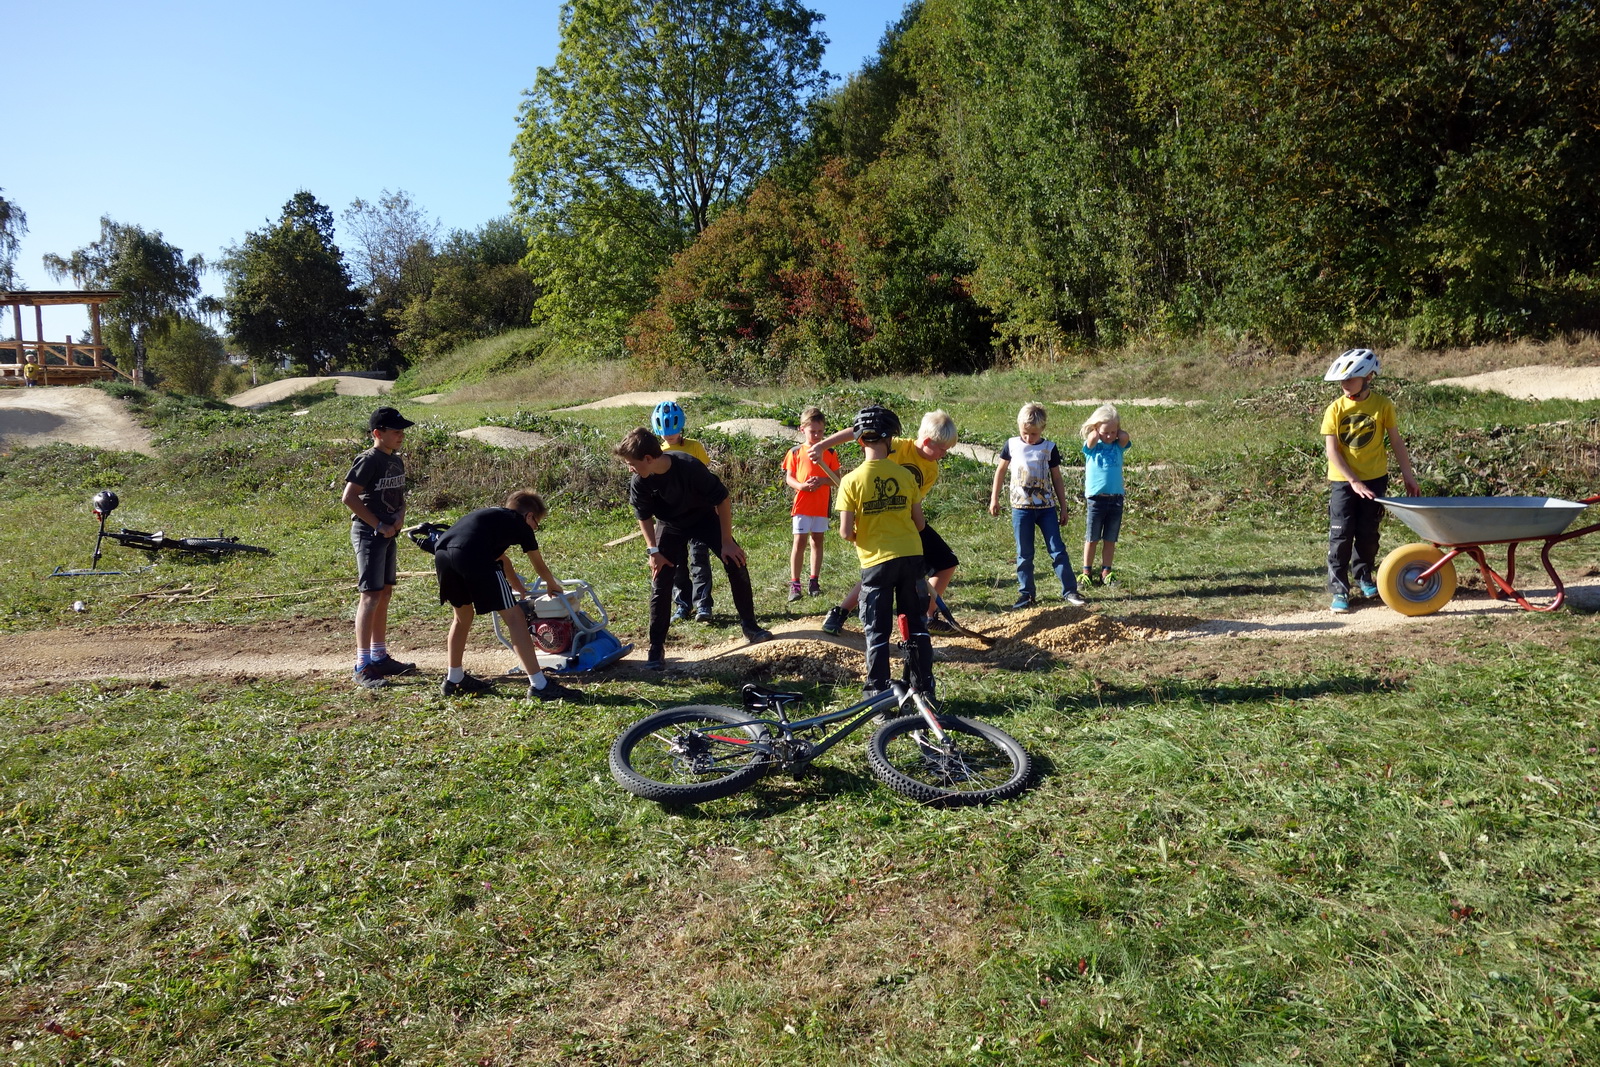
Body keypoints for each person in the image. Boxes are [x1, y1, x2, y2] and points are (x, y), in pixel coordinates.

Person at [616, 427, 772, 670]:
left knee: (736, 561)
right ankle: (656, 648)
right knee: (661, 579)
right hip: (670, 526)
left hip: (704, 519)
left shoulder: (689, 466)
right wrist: (653, 551)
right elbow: (643, 516)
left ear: (648, 459)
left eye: (631, 464)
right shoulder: (640, 481)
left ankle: (750, 627)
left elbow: (722, 498)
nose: (630, 469)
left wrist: (727, 542)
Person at [812, 410, 960, 635]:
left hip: (906, 522)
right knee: (881, 570)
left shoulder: (931, 469)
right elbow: (858, 432)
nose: (943, 455)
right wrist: (823, 445)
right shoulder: (897, 445)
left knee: (946, 562)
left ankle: (927, 615)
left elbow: (914, 504)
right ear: (928, 441)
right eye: (941, 450)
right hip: (876, 517)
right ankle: (840, 612)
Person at [432, 491, 580, 702]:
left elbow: (502, 558)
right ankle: (540, 685)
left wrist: (517, 585)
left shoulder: (492, 518)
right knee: (515, 617)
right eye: (537, 523)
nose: (535, 528)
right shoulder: (519, 524)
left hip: (443, 554)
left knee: (462, 617)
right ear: (529, 516)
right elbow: (538, 564)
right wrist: (552, 585)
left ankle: (454, 679)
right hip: (473, 555)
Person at [836, 405, 935, 700]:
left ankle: (878, 694)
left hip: (876, 563)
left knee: (877, 630)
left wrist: (860, 536)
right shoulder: (905, 476)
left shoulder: (850, 481)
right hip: (911, 558)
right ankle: (923, 689)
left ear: (858, 440)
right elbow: (919, 523)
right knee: (915, 626)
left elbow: (844, 531)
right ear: (890, 440)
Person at [1321, 348, 1420, 613]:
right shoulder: (1335, 408)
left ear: (1368, 378)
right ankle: (1340, 589)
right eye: (1342, 381)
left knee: (1368, 534)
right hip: (1344, 482)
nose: (1344, 385)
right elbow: (1332, 451)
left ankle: (1364, 576)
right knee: (1341, 536)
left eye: (1350, 379)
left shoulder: (1383, 405)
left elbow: (1396, 442)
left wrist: (1408, 477)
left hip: (1375, 479)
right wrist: (1353, 481)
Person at [342, 406, 416, 688]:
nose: (401, 435)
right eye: (396, 431)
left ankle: (380, 656)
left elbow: (400, 496)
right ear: (377, 433)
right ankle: (362, 665)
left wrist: (398, 518)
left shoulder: (396, 461)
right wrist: (377, 524)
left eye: (402, 431)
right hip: (369, 534)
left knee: (384, 593)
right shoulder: (369, 459)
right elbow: (349, 497)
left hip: (389, 533)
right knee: (370, 596)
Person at [990, 402, 1085, 610]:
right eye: (1025, 433)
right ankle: (1026, 594)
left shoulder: (1048, 448)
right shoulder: (1012, 445)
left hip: (1046, 509)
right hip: (1021, 510)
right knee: (1024, 553)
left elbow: (1057, 478)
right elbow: (1000, 471)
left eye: (1033, 434)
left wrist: (1063, 506)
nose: (1028, 438)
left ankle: (1070, 590)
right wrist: (994, 498)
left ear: (1042, 429)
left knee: (1057, 550)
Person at [652, 400, 716, 624]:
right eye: (665, 431)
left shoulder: (694, 447)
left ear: (682, 427)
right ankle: (682, 605)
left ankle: (703, 604)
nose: (669, 436)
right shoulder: (656, 452)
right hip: (672, 518)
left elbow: (705, 477)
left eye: (674, 430)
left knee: (699, 560)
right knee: (677, 563)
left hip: (698, 512)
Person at [782, 406, 840, 602]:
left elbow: (837, 479)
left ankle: (814, 580)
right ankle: (795, 583)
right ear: (802, 429)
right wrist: (802, 486)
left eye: (820, 431)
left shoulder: (830, 451)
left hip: (821, 505)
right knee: (799, 542)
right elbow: (789, 478)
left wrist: (823, 481)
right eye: (812, 431)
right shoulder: (795, 452)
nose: (816, 435)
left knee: (817, 539)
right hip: (802, 504)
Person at [1080, 402, 1131, 588]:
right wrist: (1095, 432)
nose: (1109, 436)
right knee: (1092, 538)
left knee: (1110, 538)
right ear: (1096, 429)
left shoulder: (1118, 445)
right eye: (1105, 432)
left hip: (1116, 498)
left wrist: (1117, 428)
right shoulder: (1093, 447)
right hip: (1096, 499)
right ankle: (1087, 572)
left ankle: (1106, 571)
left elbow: (1125, 437)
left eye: (1113, 432)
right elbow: (1090, 440)